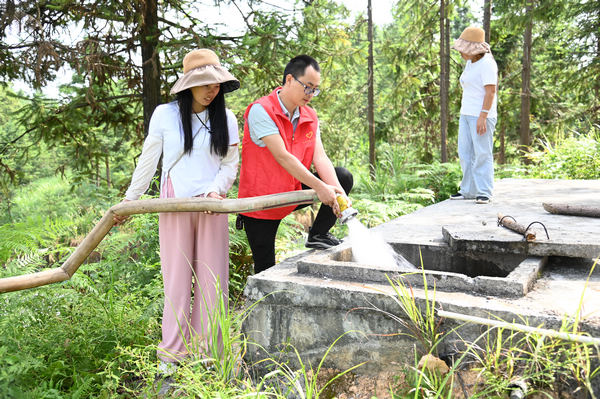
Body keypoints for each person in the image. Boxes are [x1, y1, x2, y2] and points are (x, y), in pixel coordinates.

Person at [115, 49, 240, 377]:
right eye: (204, 84)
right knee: (177, 279)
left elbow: (229, 165)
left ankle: (210, 353)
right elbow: (148, 160)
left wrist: (215, 190)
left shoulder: (226, 118)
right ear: (187, 85)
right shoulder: (164, 115)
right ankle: (172, 355)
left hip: (212, 204)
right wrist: (132, 199)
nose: (211, 90)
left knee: (213, 280)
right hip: (174, 202)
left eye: (215, 83)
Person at [237, 55, 353, 274]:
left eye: (315, 89)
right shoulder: (261, 110)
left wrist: (338, 193)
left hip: (292, 191)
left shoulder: (310, 115)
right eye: (307, 87)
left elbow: (320, 158)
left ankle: (318, 234)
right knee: (265, 270)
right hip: (262, 203)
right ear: (289, 79)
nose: (310, 95)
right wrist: (319, 187)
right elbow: (283, 156)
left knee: (342, 178)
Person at [450, 26, 498, 204]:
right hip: (466, 114)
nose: (460, 52)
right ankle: (468, 190)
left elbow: (491, 92)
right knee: (465, 153)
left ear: (473, 50)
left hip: (482, 115)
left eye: (463, 49)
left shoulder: (487, 64)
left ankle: (484, 191)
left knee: (482, 153)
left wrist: (483, 116)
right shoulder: (470, 63)